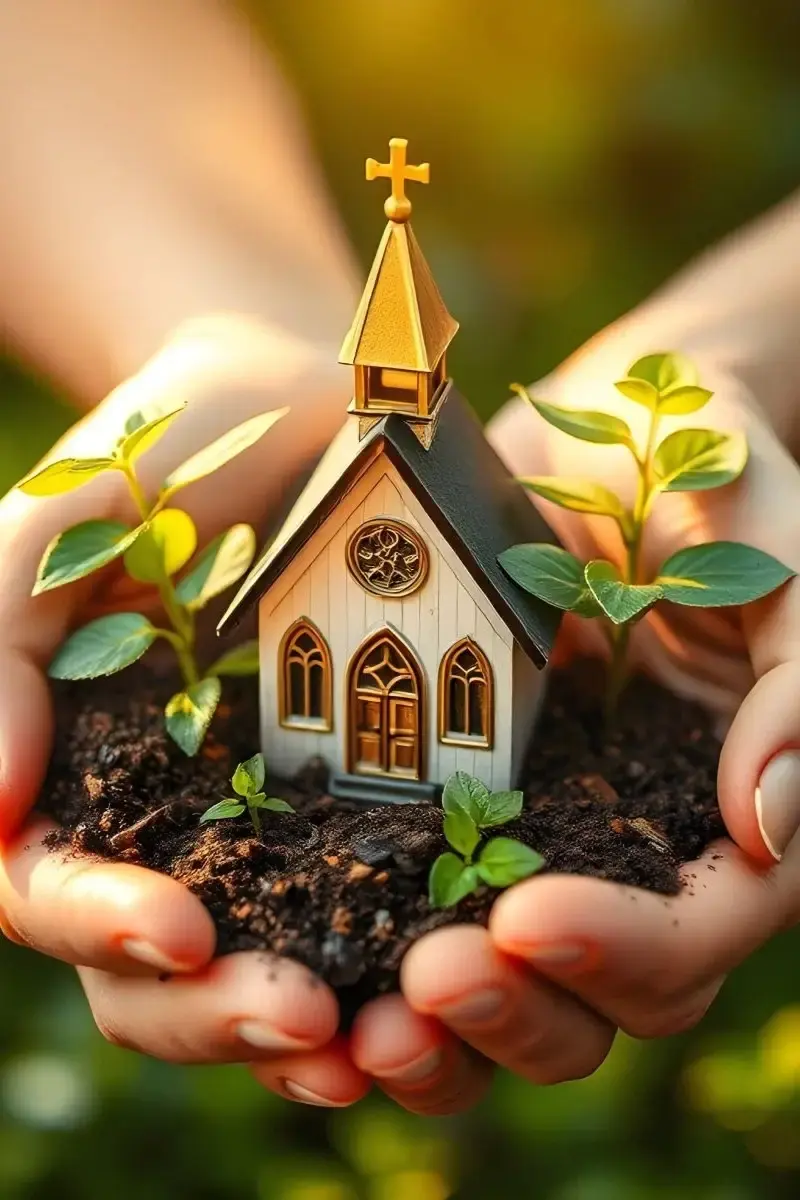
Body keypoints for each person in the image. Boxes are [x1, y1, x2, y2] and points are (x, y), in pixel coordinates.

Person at [1, 0, 800, 1116]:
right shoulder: (344, 476)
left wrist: (744, 349)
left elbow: (520, 617)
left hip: (487, 780)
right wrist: (231, 338)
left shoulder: (455, 481)